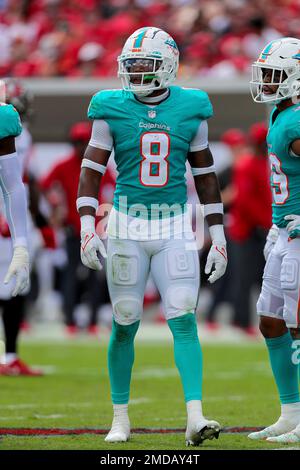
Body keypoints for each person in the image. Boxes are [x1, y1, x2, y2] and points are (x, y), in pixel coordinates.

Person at [77, 27, 227, 445]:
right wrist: (88, 227)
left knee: (183, 315)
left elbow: (205, 175)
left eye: (146, 65)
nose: (137, 73)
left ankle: (195, 417)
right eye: (132, 65)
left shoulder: (193, 105)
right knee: (125, 322)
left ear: (169, 66)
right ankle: (120, 417)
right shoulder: (109, 105)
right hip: (126, 224)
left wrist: (218, 236)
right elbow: (91, 171)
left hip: (175, 224)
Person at [248, 37, 300, 443]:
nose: (266, 81)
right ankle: (290, 411)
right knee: (270, 320)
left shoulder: (297, 120)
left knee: (299, 324)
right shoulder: (279, 113)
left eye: (273, 74)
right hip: (283, 230)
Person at [40, 122, 109, 335]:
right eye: (78, 142)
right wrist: (54, 206)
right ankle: (69, 321)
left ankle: (92, 322)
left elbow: (114, 188)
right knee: (70, 276)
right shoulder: (64, 165)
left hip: (94, 231)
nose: (80, 147)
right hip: (72, 229)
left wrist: (108, 214)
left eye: (84, 142)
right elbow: (44, 186)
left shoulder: (99, 165)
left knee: (94, 276)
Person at [0, 79, 43, 376]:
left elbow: (15, 183)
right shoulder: (22, 131)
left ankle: (9, 354)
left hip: (6, 218)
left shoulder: (9, 125)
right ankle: (9, 354)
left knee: (12, 287)